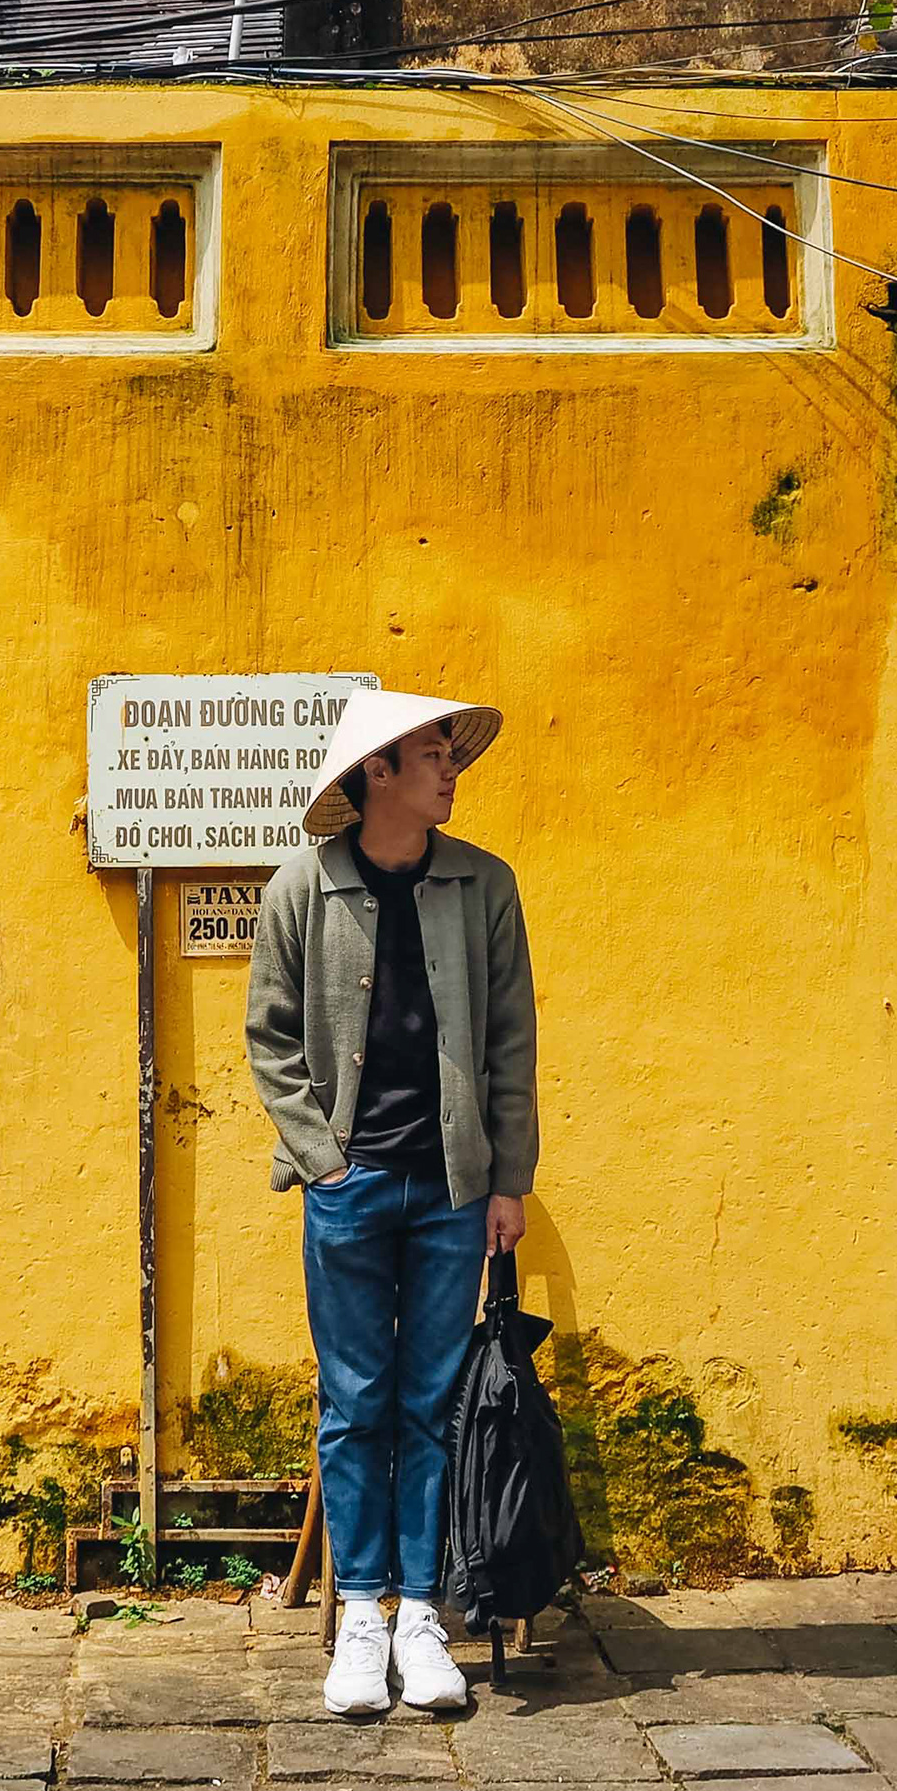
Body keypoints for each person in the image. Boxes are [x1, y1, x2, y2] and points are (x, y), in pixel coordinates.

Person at [243, 689, 537, 1717]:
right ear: (377, 772)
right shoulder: (302, 889)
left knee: (429, 1403)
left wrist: (509, 1179)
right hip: (351, 1187)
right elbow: (270, 1038)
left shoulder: (484, 886)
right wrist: (322, 1159)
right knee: (356, 1401)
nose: (450, 770)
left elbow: (510, 1042)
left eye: (451, 754)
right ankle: (360, 1614)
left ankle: (423, 1613)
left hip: (454, 1187)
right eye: (429, 754)